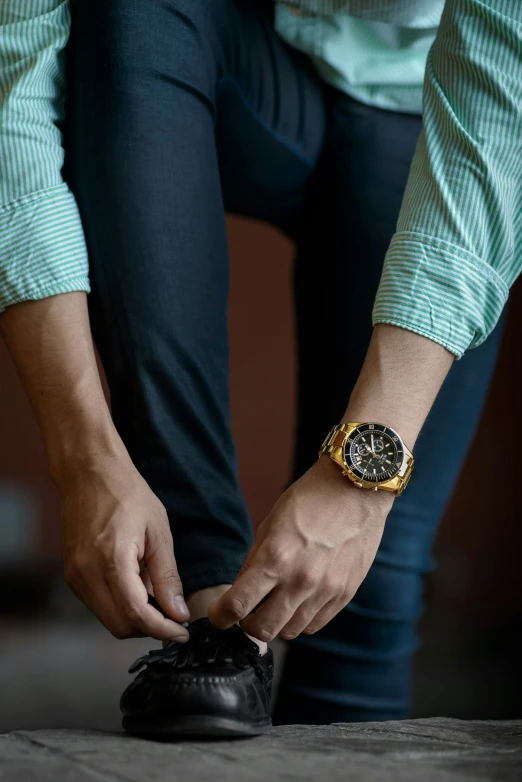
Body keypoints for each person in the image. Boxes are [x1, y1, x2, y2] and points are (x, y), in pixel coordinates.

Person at [0, 0, 519, 736]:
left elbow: (498, 126)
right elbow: (10, 96)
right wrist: (83, 455)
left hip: (438, 115)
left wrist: (358, 484)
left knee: (368, 596)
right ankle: (212, 606)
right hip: (216, 55)